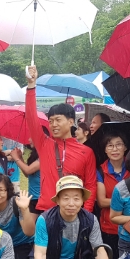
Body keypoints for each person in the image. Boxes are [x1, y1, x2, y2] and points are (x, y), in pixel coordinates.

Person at [25, 65, 98, 213]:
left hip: (74, 212)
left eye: (58, 120)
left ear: (71, 122)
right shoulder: (44, 144)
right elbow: (31, 118)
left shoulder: (86, 152)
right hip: (47, 211)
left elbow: (90, 184)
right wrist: (31, 86)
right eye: (50, 121)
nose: (53, 125)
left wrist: (87, 213)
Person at [96, 132, 130, 255]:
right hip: (110, 227)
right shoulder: (100, 171)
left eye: (119, 144)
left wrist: (114, 202)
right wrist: (127, 201)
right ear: (105, 149)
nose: (114, 149)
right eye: (110, 145)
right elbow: (101, 202)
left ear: (125, 147)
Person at [11, 139, 41, 221]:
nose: (29, 139)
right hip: (33, 197)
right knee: (31, 225)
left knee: (36, 225)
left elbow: (28, 170)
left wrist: (16, 158)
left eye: (32, 137)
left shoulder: (44, 155)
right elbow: (27, 174)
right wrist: (20, 157)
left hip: (40, 198)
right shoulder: (35, 155)